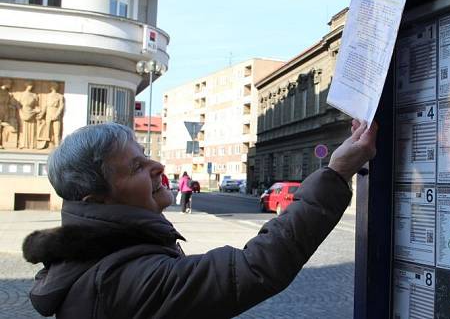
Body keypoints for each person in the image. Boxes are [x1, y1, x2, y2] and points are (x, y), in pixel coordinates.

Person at [22, 120, 376, 318]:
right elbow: (255, 269)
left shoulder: (95, 255)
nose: (157, 166)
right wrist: (336, 172)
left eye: (145, 155)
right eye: (136, 167)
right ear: (97, 199)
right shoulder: (122, 278)